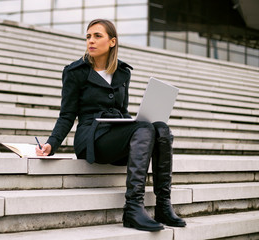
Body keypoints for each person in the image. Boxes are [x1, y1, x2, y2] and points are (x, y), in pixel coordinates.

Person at [35, 19, 186, 232]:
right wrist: (52, 144)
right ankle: (133, 208)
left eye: (97, 36)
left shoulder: (123, 72)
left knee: (160, 128)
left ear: (112, 41)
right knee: (145, 129)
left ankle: (163, 205)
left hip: (114, 133)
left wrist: (134, 122)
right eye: (88, 36)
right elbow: (67, 114)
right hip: (91, 138)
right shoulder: (74, 72)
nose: (91, 41)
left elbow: (123, 111)